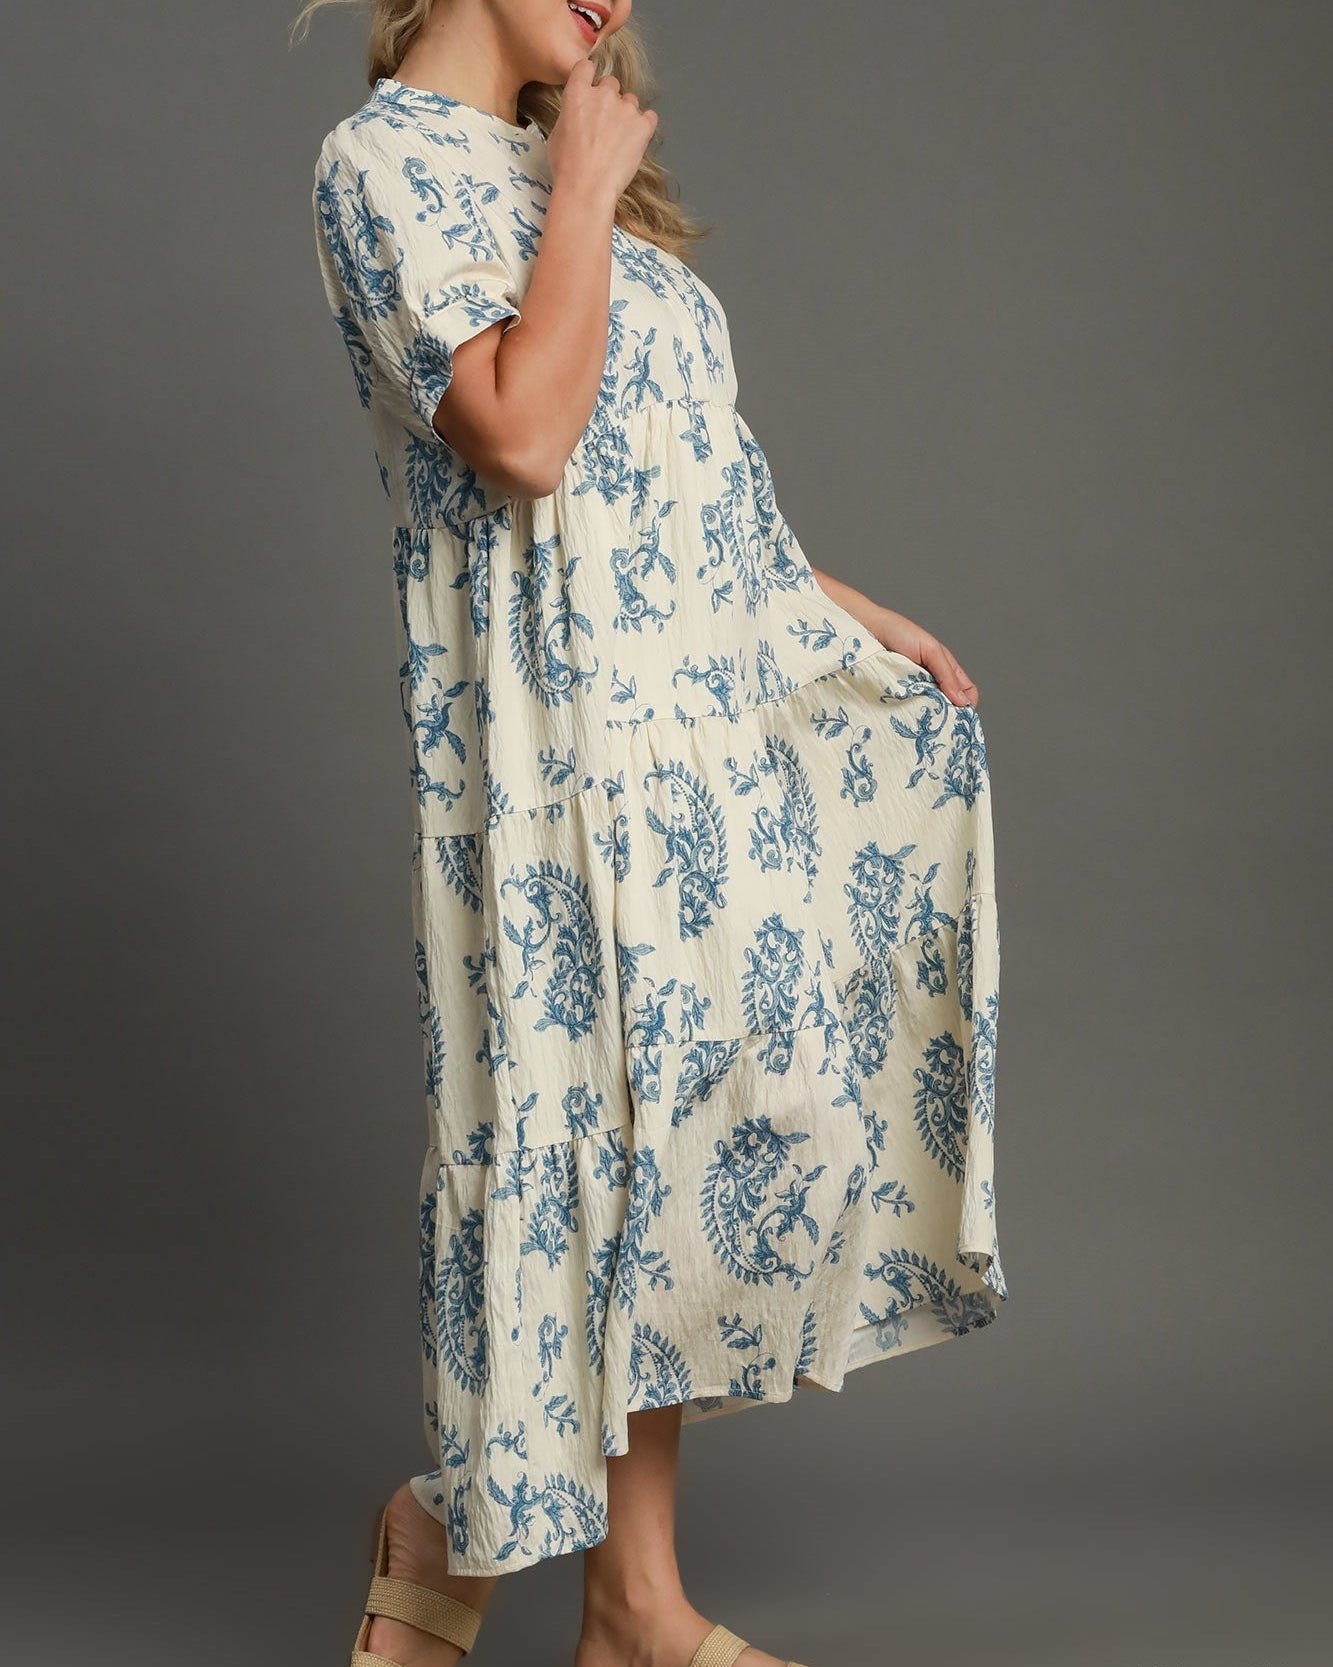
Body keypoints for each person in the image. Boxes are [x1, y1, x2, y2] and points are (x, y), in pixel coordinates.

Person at [300, 3, 1009, 1664]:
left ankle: (560, 1566)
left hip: (701, 735)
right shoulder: (379, 166)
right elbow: (524, 439)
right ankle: (606, 1593)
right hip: (555, 753)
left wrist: (844, 608)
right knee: (589, 1139)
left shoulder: (577, 169)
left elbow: (670, 480)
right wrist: (572, 204)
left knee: (705, 1138)